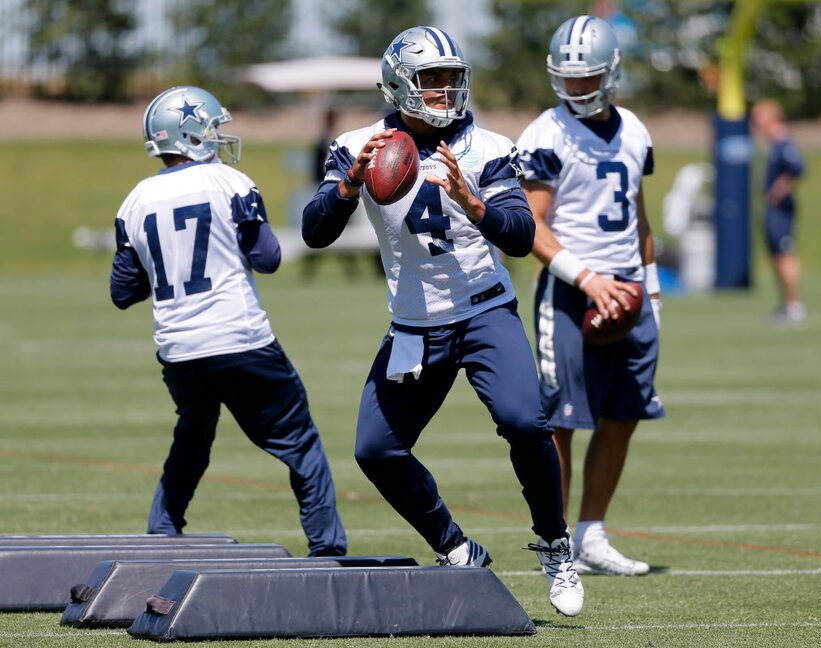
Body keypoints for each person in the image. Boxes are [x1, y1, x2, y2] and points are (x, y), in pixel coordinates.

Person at [302, 26, 583, 616]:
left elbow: (521, 233)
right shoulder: (362, 143)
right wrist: (350, 184)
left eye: (451, 78)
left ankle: (556, 543)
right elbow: (315, 230)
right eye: (431, 80)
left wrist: (474, 202)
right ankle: (454, 547)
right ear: (400, 82)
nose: (444, 90)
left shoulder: (488, 146)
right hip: (414, 325)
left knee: (525, 421)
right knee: (375, 450)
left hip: (483, 310)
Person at [109, 85, 347, 557]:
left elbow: (122, 291)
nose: (220, 138)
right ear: (192, 135)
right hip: (239, 337)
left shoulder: (135, 201)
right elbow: (268, 257)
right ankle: (327, 549)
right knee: (300, 442)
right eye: (213, 129)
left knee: (193, 434)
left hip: (179, 348)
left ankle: (162, 527)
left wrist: (169, 265)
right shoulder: (228, 183)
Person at [516, 15, 664, 576]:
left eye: (587, 79)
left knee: (624, 414)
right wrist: (587, 279)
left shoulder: (636, 131)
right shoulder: (546, 134)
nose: (577, 89)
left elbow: (640, 218)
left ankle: (592, 534)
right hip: (572, 293)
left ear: (611, 73)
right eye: (569, 79)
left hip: (629, 289)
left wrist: (651, 291)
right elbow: (532, 224)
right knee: (561, 422)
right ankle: (555, 544)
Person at [750, 98, 806, 325]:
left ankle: (794, 305)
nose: (755, 122)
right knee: (776, 255)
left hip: (781, 209)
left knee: (785, 254)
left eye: (758, 116)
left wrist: (777, 191)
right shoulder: (772, 143)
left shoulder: (783, 141)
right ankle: (786, 303)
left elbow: (798, 168)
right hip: (773, 209)